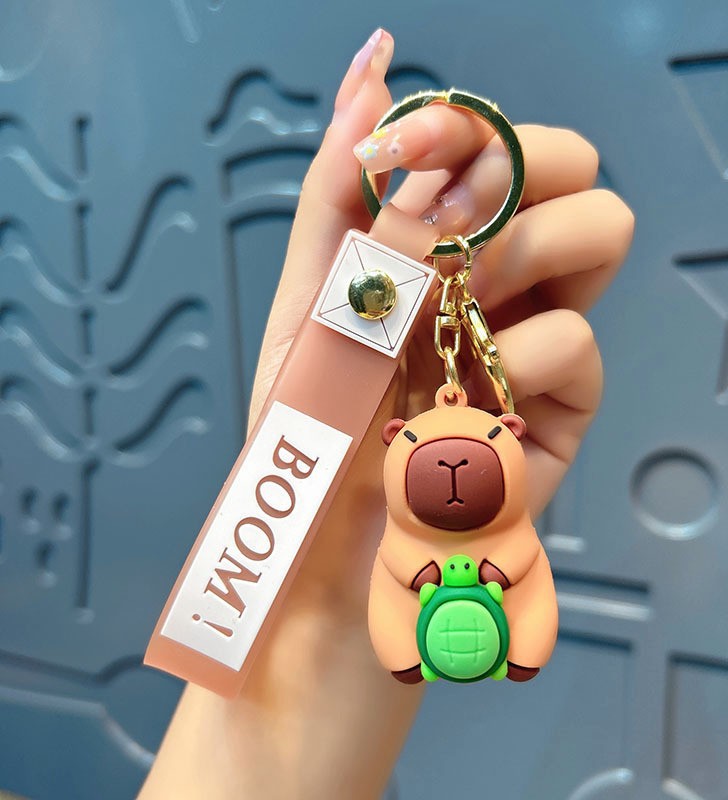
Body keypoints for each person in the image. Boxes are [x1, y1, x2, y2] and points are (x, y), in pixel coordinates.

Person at [138, 27, 634, 800]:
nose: (455, 471)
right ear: (402, 439)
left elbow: (516, 582)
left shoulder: (460, 518)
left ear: (509, 429)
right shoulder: (419, 532)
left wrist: (334, 599)